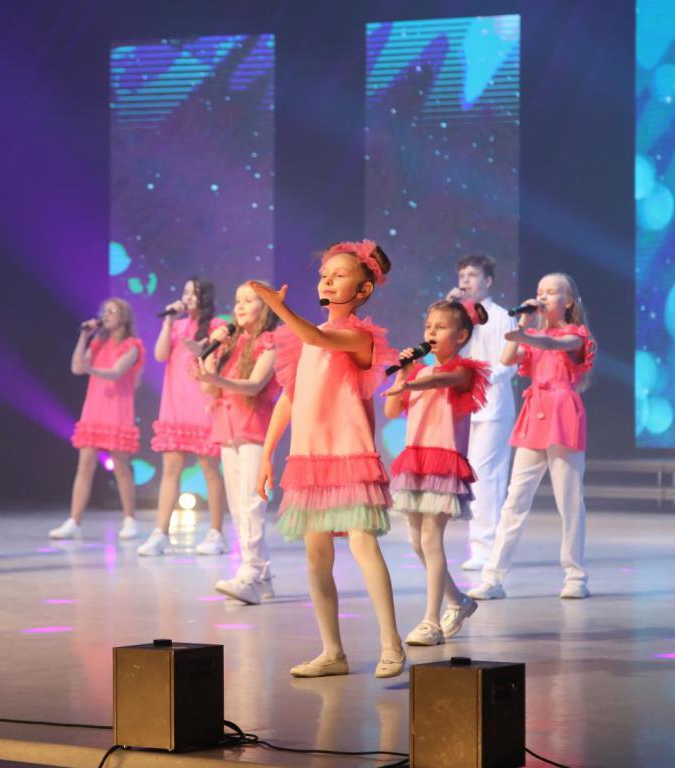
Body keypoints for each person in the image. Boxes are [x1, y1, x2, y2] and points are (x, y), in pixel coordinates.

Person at [249, 240, 405, 678]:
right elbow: (289, 398)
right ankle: (332, 651)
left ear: (363, 289)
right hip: (309, 458)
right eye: (324, 275)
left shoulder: (358, 336)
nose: (328, 281)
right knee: (317, 556)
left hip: (348, 453)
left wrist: (277, 307)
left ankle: (391, 644)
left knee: (362, 542)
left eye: (339, 275)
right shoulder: (305, 340)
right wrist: (267, 455)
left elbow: (317, 337)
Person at [469, 273, 595, 600]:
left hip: (563, 412)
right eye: (540, 291)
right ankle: (493, 578)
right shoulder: (532, 334)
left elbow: (553, 345)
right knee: (515, 500)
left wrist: (524, 333)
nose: (543, 296)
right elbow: (507, 358)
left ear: (568, 301)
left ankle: (575, 576)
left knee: (570, 501)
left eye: (551, 292)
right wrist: (523, 323)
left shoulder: (575, 335)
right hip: (534, 413)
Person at [383, 300, 490, 645]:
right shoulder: (417, 374)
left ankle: (431, 622)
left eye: (440, 327)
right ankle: (458, 601)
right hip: (415, 462)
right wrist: (404, 374)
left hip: (443, 464)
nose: (431, 332)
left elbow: (443, 379)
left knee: (431, 538)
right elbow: (391, 408)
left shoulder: (465, 371)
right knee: (417, 542)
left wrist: (413, 383)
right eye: (428, 326)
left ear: (460, 336)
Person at [191, 281, 281, 604]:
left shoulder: (271, 341)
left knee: (252, 503)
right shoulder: (230, 342)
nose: (240, 306)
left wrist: (215, 379)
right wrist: (212, 352)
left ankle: (250, 574)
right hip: (227, 429)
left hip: (255, 428)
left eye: (248, 300)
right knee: (238, 507)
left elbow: (254, 385)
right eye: (237, 300)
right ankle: (262, 576)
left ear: (265, 307)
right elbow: (209, 389)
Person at [138, 278, 229, 556]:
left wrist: (202, 352)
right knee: (170, 470)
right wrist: (168, 322)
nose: (187, 296)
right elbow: (159, 354)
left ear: (205, 297)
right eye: (185, 291)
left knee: (210, 471)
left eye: (193, 292)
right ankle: (161, 533)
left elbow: (220, 363)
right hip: (174, 406)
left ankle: (216, 533)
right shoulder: (176, 326)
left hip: (202, 405)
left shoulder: (216, 326)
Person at [50, 299, 145, 540]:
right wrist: (84, 336)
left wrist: (91, 370)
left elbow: (116, 372)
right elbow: (76, 367)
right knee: (85, 465)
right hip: (94, 409)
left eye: (113, 311)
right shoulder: (98, 342)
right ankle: (74, 520)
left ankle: (130, 519)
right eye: (105, 311)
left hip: (117, 409)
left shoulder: (132, 346)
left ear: (124, 317)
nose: (107, 315)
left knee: (121, 466)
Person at [447, 254, 519, 571]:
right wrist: (450, 310)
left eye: (472, 275)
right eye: (462, 275)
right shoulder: (457, 318)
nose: (465, 280)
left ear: (488, 281)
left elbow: (509, 363)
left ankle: (485, 548)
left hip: (493, 407)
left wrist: (478, 377)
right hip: (466, 407)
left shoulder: (502, 317)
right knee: (472, 475)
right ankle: (484, 546)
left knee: (486, 476)